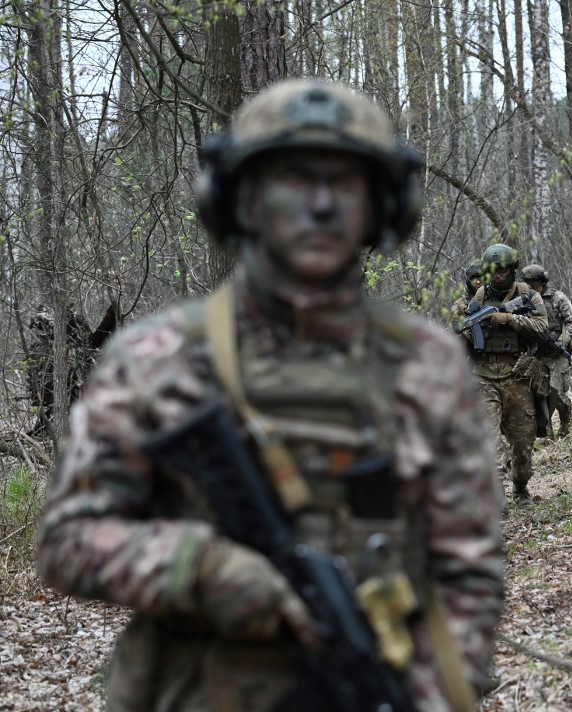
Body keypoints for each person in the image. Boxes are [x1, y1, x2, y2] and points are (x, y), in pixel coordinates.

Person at [36, 79, 503, 712]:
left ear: (380, 206)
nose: (319, 204)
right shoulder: (159, 358)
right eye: (292, 178)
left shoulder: (428, 364)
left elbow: (468, 575)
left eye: (344, 182)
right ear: (242, 200)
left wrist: (435, 694)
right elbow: (68, 539)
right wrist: (197, 569)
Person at [462, 244, 548, 504]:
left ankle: (520, 487)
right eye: (492, 271)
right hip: (483, 375)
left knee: (522, 442)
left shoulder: (529, 296)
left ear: (512, 269)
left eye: (502, 271)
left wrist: (509, 319)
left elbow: (543, 329)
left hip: (518, 375)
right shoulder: (478, 297)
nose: (497, 276)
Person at [520, 263, 572, 440]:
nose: (530, 286)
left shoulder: (557, 298)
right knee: (540, 395)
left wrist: (562, 341)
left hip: (557, 353)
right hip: (536, 354)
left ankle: (566, 423)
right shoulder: (524, 300)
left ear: (542, 281)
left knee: (558, 394)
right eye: (527, 282)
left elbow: (571, 322)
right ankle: (546, 432)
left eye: (534, 282)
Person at [447, 260, 483, 331]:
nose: (478, 282)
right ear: (469, 281)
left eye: (482, 278)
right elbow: (451, 330)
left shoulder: (494, 297)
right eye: (474, 279)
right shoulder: (459, 305)